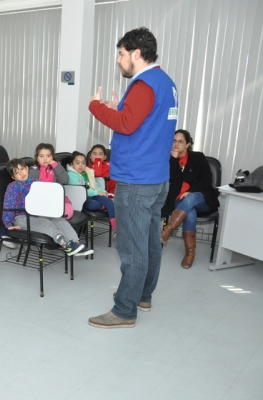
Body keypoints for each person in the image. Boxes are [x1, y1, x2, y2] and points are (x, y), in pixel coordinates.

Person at [88, 27, 177, 328]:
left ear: (137, 54)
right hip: (156, 177)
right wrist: (121, 110)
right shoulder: (166, 82)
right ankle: (143, 295)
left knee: (132, 248)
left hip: (137, 180)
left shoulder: (144, 84)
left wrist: (97, 108)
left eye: (122, 54)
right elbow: (142, 123)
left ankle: (125, 310)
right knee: (151, 242)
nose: (118, 60)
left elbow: (126, 125)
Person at [3, 159, 93, 256]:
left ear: (27, 168)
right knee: (46, 223)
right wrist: (8, 224)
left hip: (38, 214)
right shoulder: (13, 187)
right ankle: (65, 244)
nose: (21, 173)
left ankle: (76, 244)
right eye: (17, 172)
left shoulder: (35, 182)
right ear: (13, 177)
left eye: (22, 169)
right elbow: (8, 206)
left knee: (60, 220)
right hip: (22, 218)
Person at [160, 129, 219, 269]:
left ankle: (168, 230)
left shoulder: (198, 157)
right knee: (189, 213)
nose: (176, 144)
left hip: (202, 198)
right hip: (178, 201)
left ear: (188, 144)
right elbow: (167, 180)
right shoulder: (167, 159)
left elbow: (207, 180)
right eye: (174, 141)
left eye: (180, 141)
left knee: (192, 199)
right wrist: (173, 159)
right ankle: (190, 253)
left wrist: (191, 191)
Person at [66, 151, 116, 232]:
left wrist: (103, 192)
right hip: (81, 199)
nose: (80, 165)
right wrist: (97, 193)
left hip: (93, 195)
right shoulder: (71, 175)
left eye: (83, 163)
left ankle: (115, 227)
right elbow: (81, 191)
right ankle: (103, 205)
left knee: (110, 202)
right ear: (72, 164)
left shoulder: (88, 172)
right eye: (77, 163)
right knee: (94, 205)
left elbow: (95, 185)